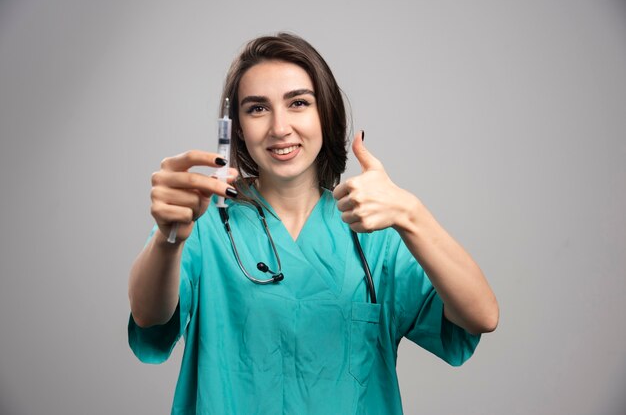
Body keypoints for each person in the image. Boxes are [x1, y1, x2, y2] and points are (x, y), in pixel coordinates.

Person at [128, 32, 499, 414]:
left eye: (299, 103)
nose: (279, 127)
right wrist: (167, 238)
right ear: (236, 127)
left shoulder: (373, 236)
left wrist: (411, 213)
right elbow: (149, 315)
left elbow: (481, 316)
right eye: (257, 109)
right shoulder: (207, 222)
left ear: (326, 113)